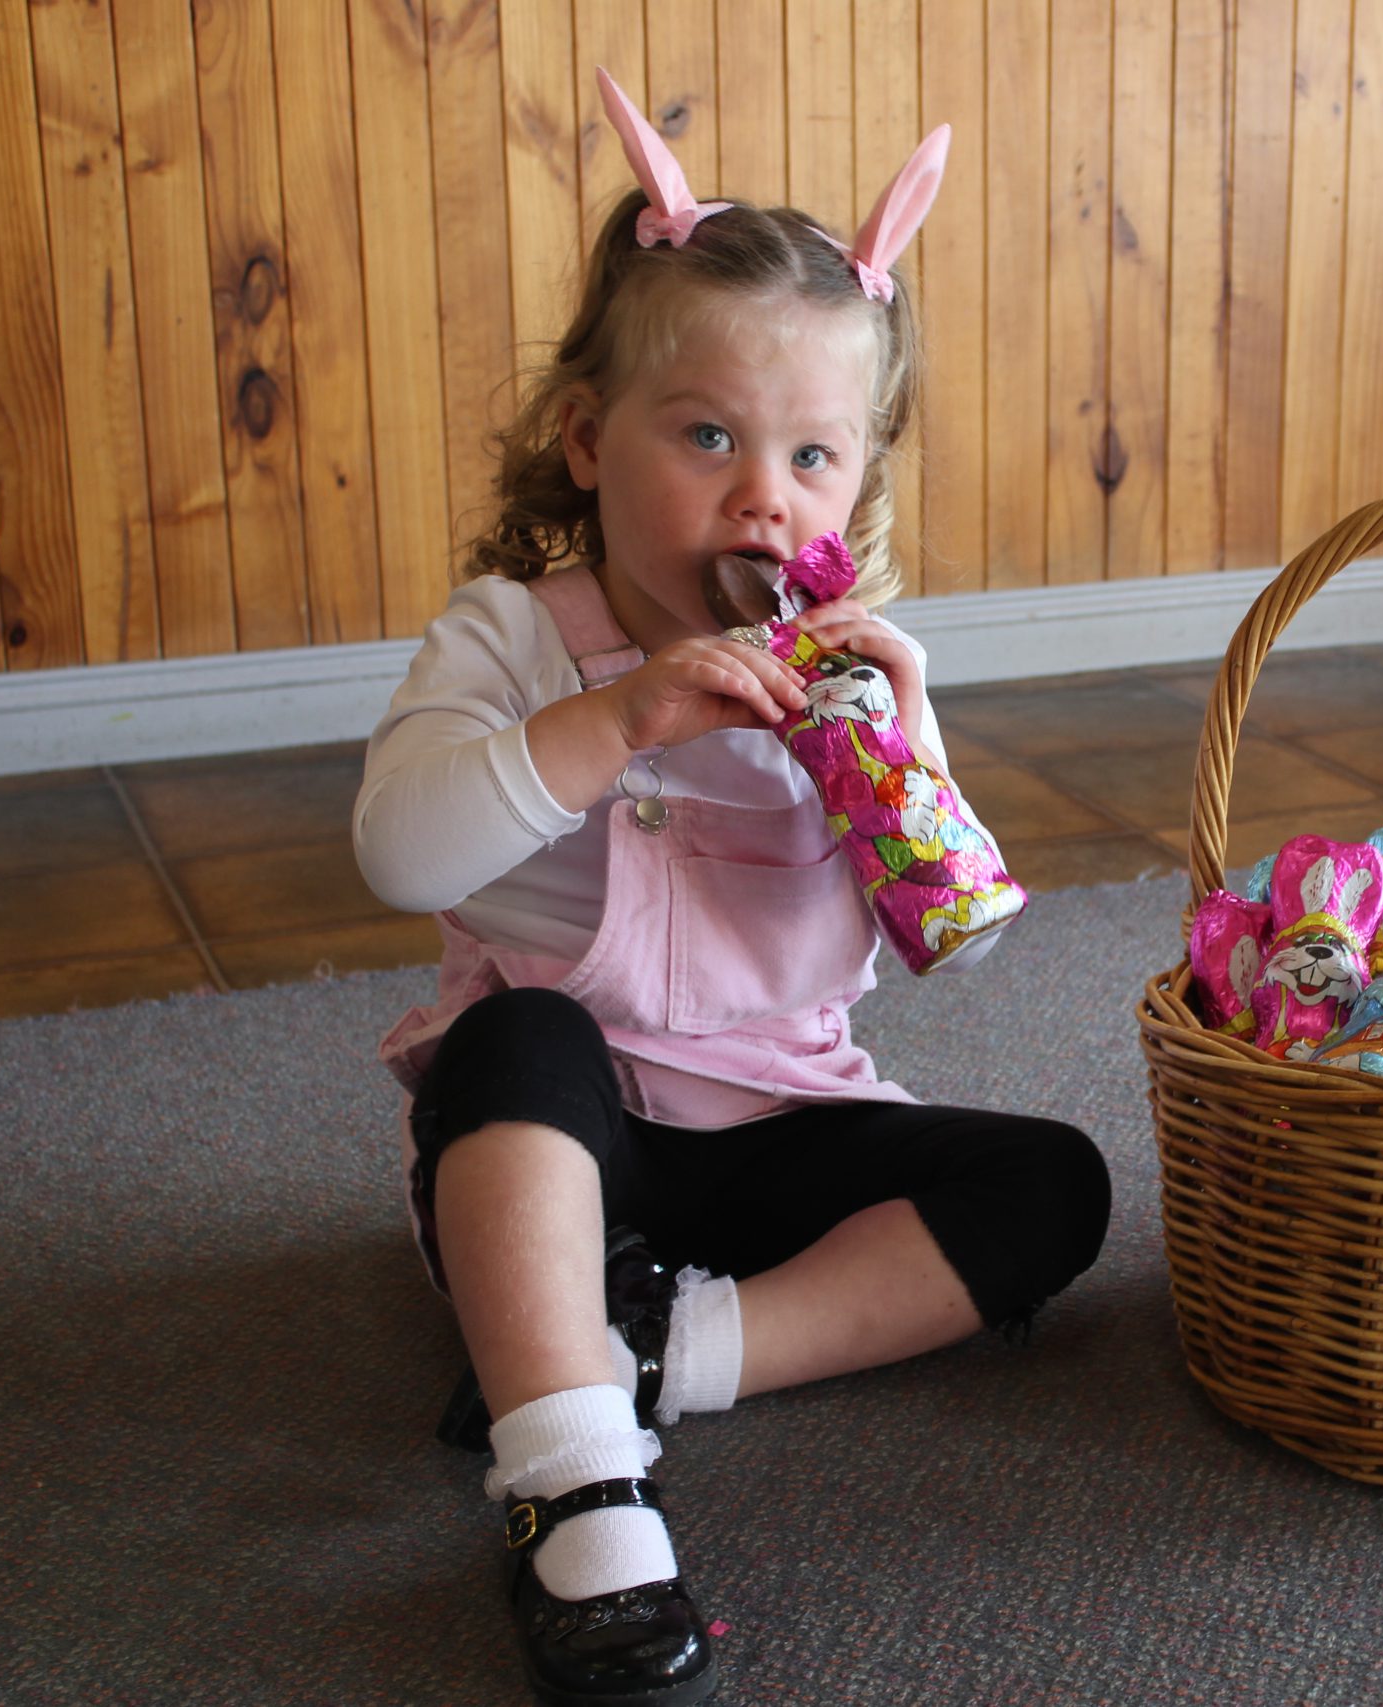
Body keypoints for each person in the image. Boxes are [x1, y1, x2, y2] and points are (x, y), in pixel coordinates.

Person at [353, 70, 1111, 1707]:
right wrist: (618, 719)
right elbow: (397, 852)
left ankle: (656, 1355)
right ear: (586, 440)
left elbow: (963, 941)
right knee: (517, 1043)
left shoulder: (846, 683)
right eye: (708, 436)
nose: (764, 494)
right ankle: (575, 1486)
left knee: (1053, 1186)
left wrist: (900, 753)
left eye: (813, 455)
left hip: (783, 1123)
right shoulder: (511, 638)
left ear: (857, 486)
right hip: (562, 1152)